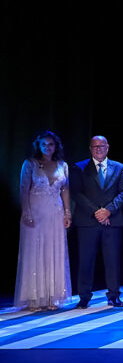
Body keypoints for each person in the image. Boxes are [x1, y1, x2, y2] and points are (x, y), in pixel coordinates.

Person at [15, 131, 72, 311]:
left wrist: (67, 212)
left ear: (56, 147)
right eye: (44, 144)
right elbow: (24, 189)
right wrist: (26, 212)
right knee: (34, 252)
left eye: (51, 144)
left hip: (55, 212)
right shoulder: (30, 164)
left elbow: (65, 190)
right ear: (38, 146)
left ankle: (51, 297)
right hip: (35, 212)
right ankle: (33, 297)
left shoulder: (62, 165)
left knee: (52, 251)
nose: (48, 148)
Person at [70, 135, 123, 308]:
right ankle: (84, 297)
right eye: (95, 146)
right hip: (87, 221)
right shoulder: (79, 167)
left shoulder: (119, 168)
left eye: (101, 146)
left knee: (113, 260)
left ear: (108, 147)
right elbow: (77, 193)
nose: (98, 149)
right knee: (86, 260)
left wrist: (108, 210)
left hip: (112, 220)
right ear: (90, 148)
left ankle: (114, 295)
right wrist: (97, 212)